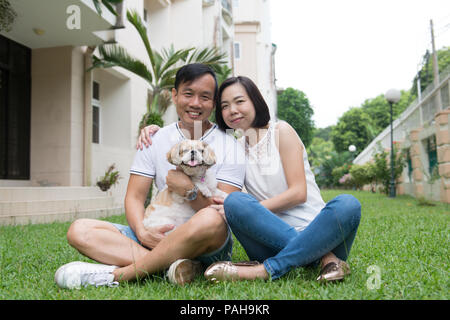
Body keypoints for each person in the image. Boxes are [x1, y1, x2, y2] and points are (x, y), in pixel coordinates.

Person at [137, 76, 361, 283]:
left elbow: (298, 193)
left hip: (321, 234)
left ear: (255, 101)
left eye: (239, 101)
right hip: (267, 242)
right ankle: (325, 260)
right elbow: (197, 147)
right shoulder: (233, 148)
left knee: (348, 204)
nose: (232, 110)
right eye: (225, 106)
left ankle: (266, 269)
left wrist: (254, 209)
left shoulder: (281, 131)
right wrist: (156, 131)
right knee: (234, 202)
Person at [54, 64, 245, 289]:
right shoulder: (153, 139)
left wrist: (188, 190)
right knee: (80, 230)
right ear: (174, 95)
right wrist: (143, 233)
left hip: (206, 243)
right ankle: (177, 266)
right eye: (188, 94)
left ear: (213, 103)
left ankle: (123, 274)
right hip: (156, 235)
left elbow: (224, 214)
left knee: (212, 219)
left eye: (204, 97)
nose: (195, 103)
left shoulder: (230, 146)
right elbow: (135, 197)